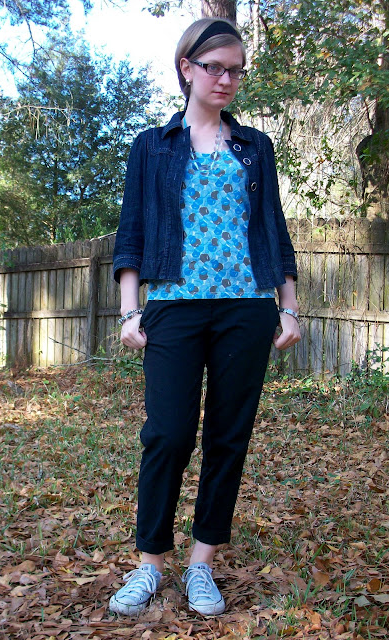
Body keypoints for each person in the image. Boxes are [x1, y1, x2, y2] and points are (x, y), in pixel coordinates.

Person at [109, 17, 301, 617]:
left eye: (235, 70)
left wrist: (289, 307)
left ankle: (201, 564)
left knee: (228, 436)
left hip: (247, 307)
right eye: (214, 67)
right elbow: (132, 233)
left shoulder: (255, 148)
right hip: (174, 305)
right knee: (167, 434)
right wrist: (130, 310)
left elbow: (273, 229)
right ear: (186, 68)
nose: (226, 79)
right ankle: (149, 563)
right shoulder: (152, 146)